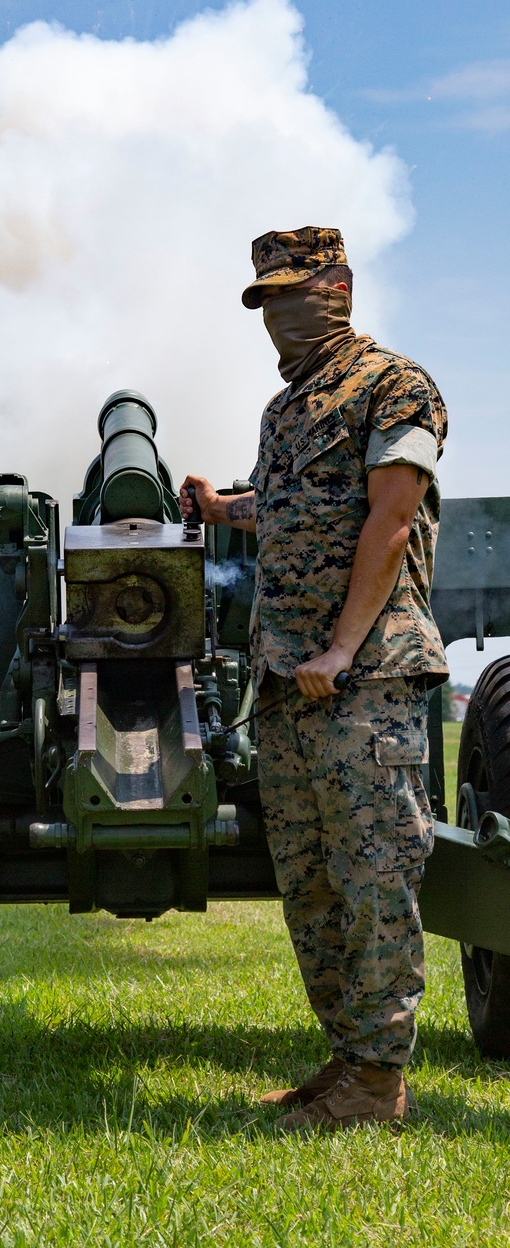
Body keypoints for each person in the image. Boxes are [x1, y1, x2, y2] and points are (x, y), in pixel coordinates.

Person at [180, 226, 447, 1131]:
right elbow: (291, 505)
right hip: (291, 686)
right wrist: (224, 510)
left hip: (366, 677)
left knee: (375, 878)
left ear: (340, 284)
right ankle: (345, 1062)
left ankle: (379, 1080)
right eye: (268, 299)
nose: (283, 313)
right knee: (314, 884)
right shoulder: (286, 410)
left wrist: (340, 648)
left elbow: (393, 516)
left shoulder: (395, 385)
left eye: (299, 290)